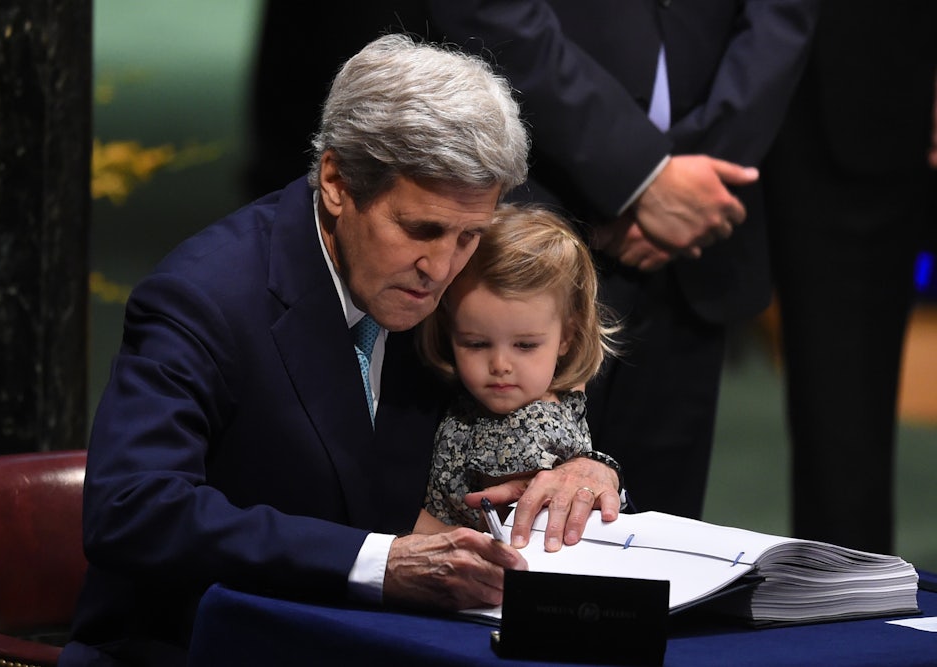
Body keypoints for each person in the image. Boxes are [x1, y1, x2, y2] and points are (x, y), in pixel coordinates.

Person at [60, 34, 624, 666]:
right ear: (335, 181)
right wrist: (381, 562)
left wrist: (580, 465)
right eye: (421, 230)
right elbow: (129, 509)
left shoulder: (444, 281)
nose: (440, 269)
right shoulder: (204, 297)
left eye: (469, 236)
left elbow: (521, 383)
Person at [426, 0, 820, 519]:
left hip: (695, 246)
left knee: (663, 554)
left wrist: (687, 191)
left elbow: (780, 18)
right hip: (531, 208)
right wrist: (642, 174)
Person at [761, 0, 937, 554]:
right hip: (670, 76)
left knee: (848, 406)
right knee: (643, 375)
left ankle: (848, 610)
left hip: (871, 77)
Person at [412, 204, 622, 538]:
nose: (500, 365)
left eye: (525, 346)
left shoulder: (527, 430)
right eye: (476, 344)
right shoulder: (496, 398)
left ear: (567, 337)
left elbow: (507, 542)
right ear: (447, 332)